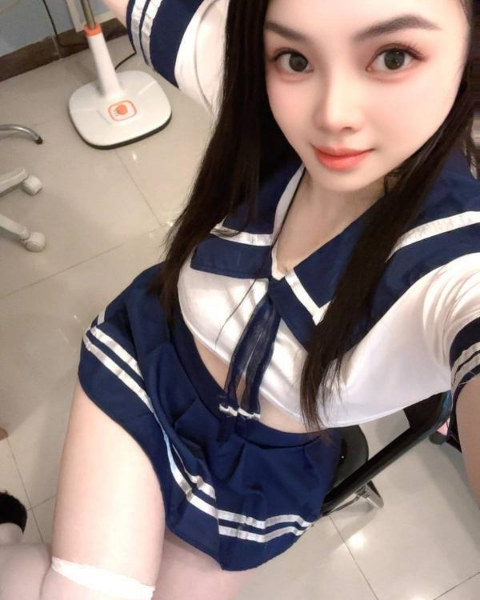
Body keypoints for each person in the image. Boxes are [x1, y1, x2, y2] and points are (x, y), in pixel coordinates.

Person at [0, 1, 478, 599]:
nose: (333, 114)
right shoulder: (256, 84)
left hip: (259, 471)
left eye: (393, 57)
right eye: (296, 58)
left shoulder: (458, 260)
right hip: (152, 372)